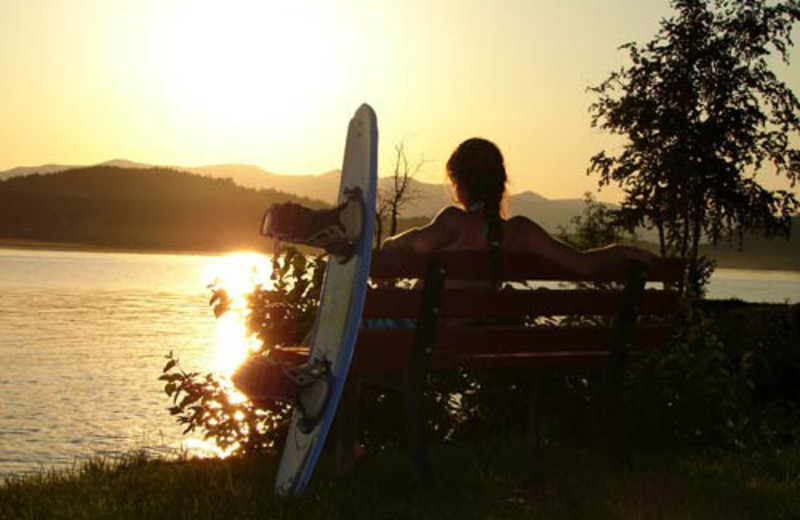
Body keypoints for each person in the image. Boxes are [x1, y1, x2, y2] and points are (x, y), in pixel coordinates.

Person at [381, 137, 654, 274]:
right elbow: (582, 264)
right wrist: (620, 250)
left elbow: (415, 245)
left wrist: (391, 242)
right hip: (463, 339)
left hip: (418, 333)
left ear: (460, 185)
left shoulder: (454, 222)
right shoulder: (522, 232)